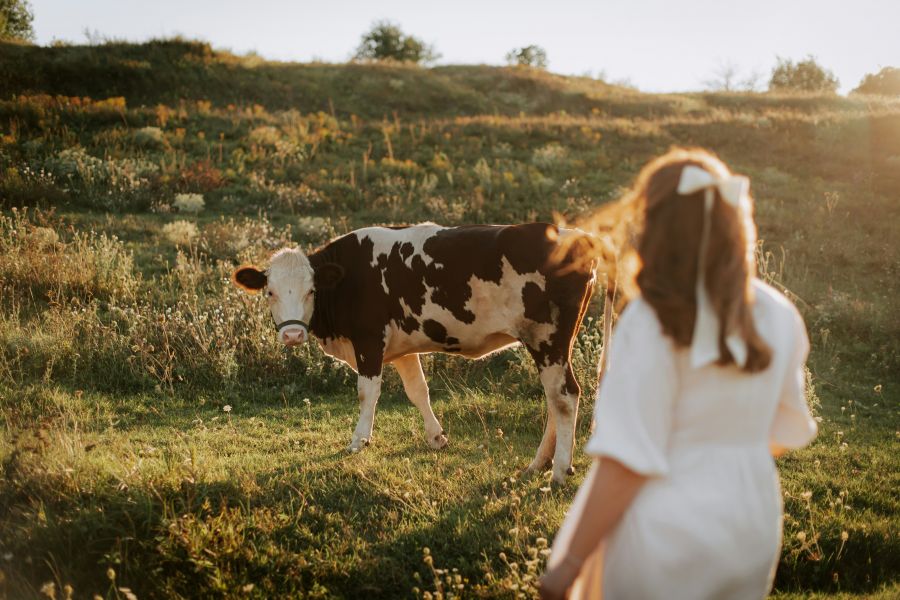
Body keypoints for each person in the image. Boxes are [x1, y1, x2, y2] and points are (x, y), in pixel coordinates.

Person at [539, 147, 818, 600]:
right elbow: (783, 431)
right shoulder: (779, 313)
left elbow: (626, 462)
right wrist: (723, 453)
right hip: (752, 526)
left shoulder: (654, 320)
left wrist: (569, 564)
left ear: (658, 228)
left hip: (666, 529)